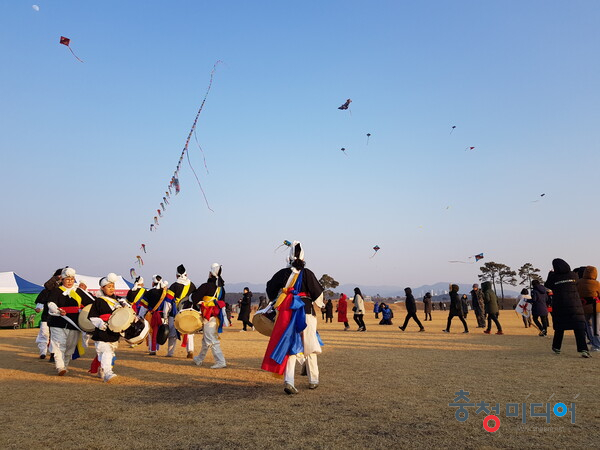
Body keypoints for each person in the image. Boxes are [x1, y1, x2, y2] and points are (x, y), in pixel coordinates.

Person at [262, 241, 325, 394]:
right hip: (307, 312)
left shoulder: (282, 273)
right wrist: (321, 304)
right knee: (309, 346)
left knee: (290, 347)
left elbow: (270, 288)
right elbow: (318, 294)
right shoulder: (307, 273)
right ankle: (313, 380)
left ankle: (289, 380)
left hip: (288, 313)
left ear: (288, 257)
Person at [46, 267, 94, 376]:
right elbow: (51, 304)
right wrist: (57, 310)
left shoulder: (78, 291)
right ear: (62, 280)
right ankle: (60, 366)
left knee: (70, 346)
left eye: (72, 279)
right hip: (58, 322)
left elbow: (92, 303)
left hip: (74, 323)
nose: (70, 282)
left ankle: (65, 365)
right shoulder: (56, 291)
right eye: (67, 279)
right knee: (59, 344)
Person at [88, 273, 130, 382]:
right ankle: (107, 373)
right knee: (105, 351)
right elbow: (92, 316)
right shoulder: (98, 301)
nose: (111, 289)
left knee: (110, 352)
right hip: (102, 331)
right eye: (109, 286)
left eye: (113, 286)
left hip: (114, 331)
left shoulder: (119, 300)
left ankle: (101, 370)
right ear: (102, 288)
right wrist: (101, 324)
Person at [546, 258, 589, 357]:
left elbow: (547, 285)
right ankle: (583, 349)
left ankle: (556, 347)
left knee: (560, 327)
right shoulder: (573, 275)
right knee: (578, 328)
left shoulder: (554, 277)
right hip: (575, 304)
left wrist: (550, 274)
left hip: (560, 305)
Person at [190, 263, 228, 368]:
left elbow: (194, 298)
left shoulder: (206, 286)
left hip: (208, 315)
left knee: (211, 339)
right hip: (216, 315)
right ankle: (199, 358)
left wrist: (201, 301)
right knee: (206, 339)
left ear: (211, 274)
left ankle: (221, 361)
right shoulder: (221, 289)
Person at [168, 264, 197, 358]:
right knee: (189, 332)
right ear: (186, 274)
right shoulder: (192, 285)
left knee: (172, 333)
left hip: (175, 312)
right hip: (188, 312)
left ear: (176, 275)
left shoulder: (173, 286)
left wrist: (166, 314)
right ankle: (190, 351)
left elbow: (168, 302)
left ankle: (170, 353)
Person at [137, 275, 169, 355]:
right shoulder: (165, 292)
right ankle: (156, 347)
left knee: (152, 333)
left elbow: (144, 306)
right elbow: (168, 305)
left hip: (152, 315)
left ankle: (152, 349)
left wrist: (140, 316)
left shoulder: (149, 292)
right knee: (160, 332)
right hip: (161, 315)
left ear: (153, 283)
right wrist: (166, 316)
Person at [34, 268, 62, 360]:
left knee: (56, 336)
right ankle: (43, 352)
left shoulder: (63, 290)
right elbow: (41, 302)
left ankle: (54, 354)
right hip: (46, 317)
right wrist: (38, 308)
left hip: (58, 318)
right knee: (44, 334)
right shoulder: (47, 290)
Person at [576, 266, 600, 352]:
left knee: (588, 326)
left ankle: (593, 343)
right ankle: (597, 345)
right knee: (596, 327)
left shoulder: (578, 283)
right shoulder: (596, 283)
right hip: (595, 307)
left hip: (584, 307)